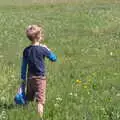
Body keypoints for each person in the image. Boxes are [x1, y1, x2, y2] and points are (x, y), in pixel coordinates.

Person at [17, 24, 57, 118]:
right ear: (39, 36)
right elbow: (54, 58)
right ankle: (40, 117)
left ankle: (24, 114)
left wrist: (23, 78)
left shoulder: (26, 50)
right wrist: (48, 49)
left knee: (28, 97)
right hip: (40, 79)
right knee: (40, 101)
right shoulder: (43, 49)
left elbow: (24, 66)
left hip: (30, 78)